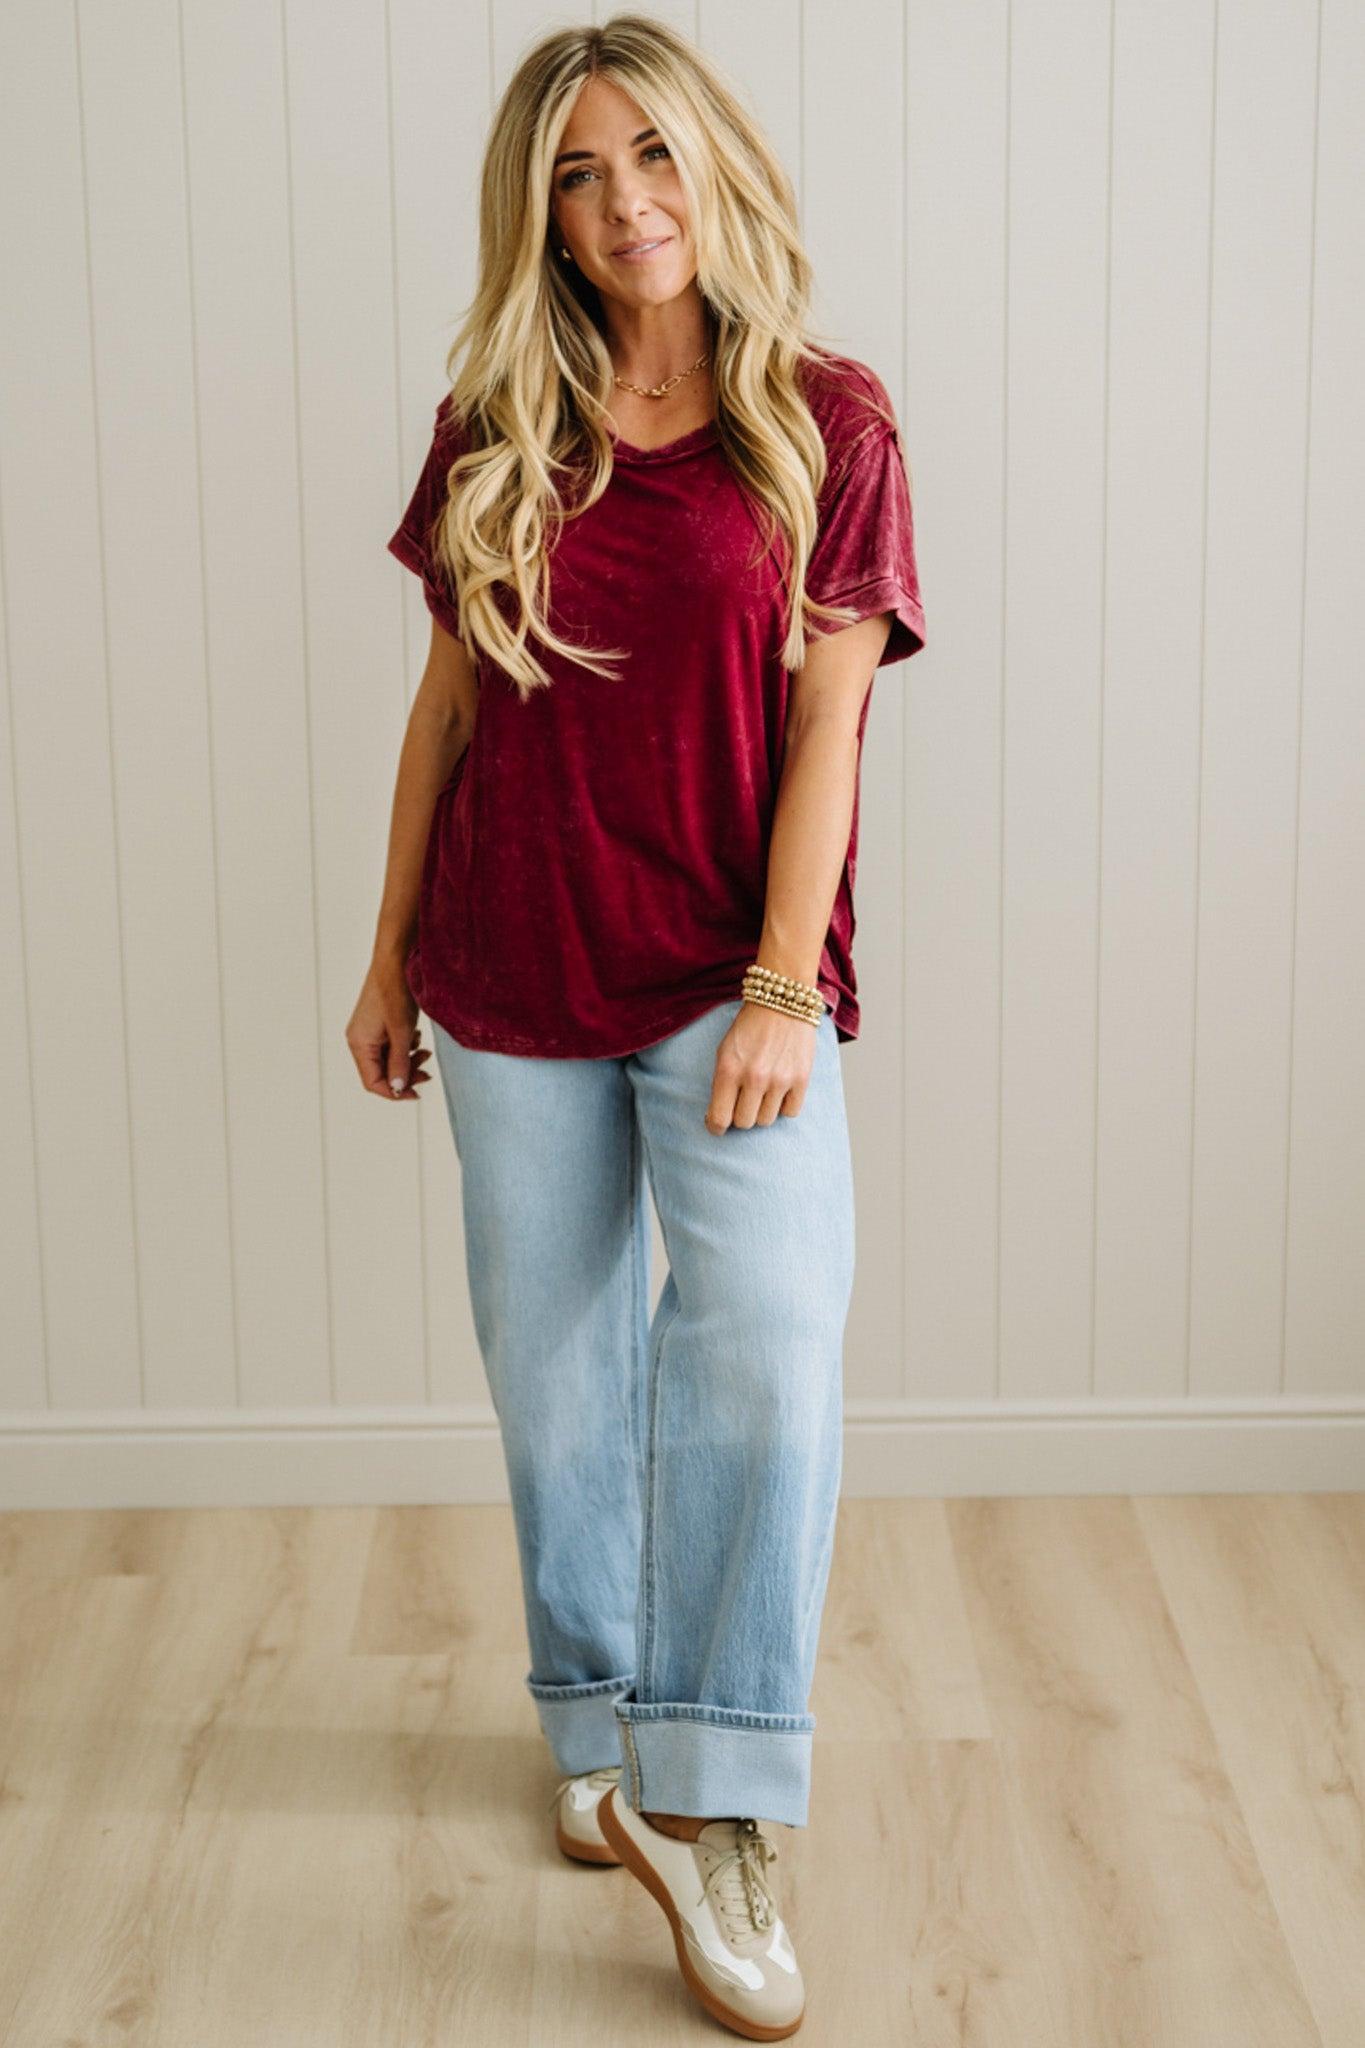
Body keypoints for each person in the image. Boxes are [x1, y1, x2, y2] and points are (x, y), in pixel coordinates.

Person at [345, 15, 925, 2039]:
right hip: (505, 970)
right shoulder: (496, 415)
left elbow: (828, 722)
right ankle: (589, 1719)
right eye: (577, 176)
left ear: (714, 164)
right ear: (540, 209)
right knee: (560, 1375)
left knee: (763, 1346)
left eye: (649, 158)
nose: (621, 205)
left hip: (718, 983)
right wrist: (385, 944)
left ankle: (717, 1791)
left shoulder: (824, 419)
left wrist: (782, 977)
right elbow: (443, 706)